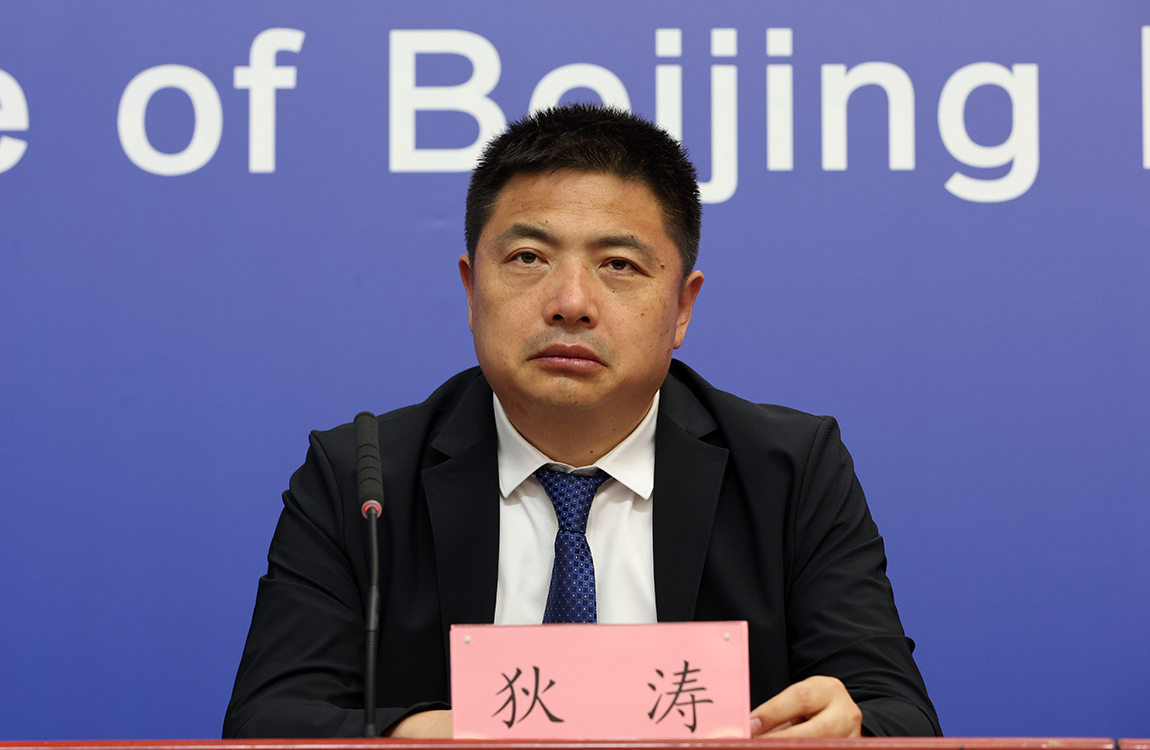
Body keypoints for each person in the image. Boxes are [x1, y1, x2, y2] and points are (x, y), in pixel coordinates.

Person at [223, 104, 941, 739]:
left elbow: (900, 717)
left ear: (682, 307)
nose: (570, 302)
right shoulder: (364, 480)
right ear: (471, 289)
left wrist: (848, 729)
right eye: (528, 258)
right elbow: (268, 721)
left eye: (619, 265)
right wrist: (435, 736)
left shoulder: (789, 470)